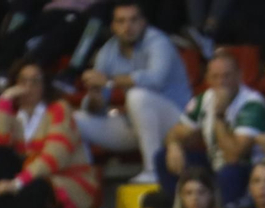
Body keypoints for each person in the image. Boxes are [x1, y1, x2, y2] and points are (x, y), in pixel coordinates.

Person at [0, 55, 101, 208]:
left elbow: (54, 158)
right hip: (29, 175)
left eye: (35, 81)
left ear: (45, 85)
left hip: (64, 178)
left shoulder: (59, 110)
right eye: (22, 81)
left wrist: (18, 182)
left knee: (33, 189)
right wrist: (6, 100)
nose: (28, 87)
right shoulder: (14, 115)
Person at [75, 1, 193, 186]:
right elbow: (97, 105)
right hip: (139, 125)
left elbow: (155, 79)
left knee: (137, 96)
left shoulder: (158, 41)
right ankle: (85, 181)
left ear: (143, 22)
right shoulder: (108, 51)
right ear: (113, 26)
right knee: (76, 119)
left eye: (133, 20)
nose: (127, 27)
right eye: (121, 21)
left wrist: (108, 80)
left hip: (178, 122)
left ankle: (152, 170)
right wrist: (94, 99)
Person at [160, 49, 265, 207]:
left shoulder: (252, 104)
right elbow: (174, 133)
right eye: (215, 77)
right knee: (162, 157)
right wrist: (173, 145)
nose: (221, 82)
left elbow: (234, 156)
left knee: (230, 172)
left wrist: (219, 115)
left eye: (227, 76)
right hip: (214, 163)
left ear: (239, 76)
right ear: (207, 79)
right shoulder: (203, 100)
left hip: (249, 169)